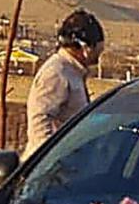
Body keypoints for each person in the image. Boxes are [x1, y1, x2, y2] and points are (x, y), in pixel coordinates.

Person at [23, 10, 106, 159]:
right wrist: (49, 160)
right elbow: (40, 121)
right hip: (52, 171)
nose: (98, 57)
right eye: (97, 50)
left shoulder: (73, 72)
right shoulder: (57, 73)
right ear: (85, 47)